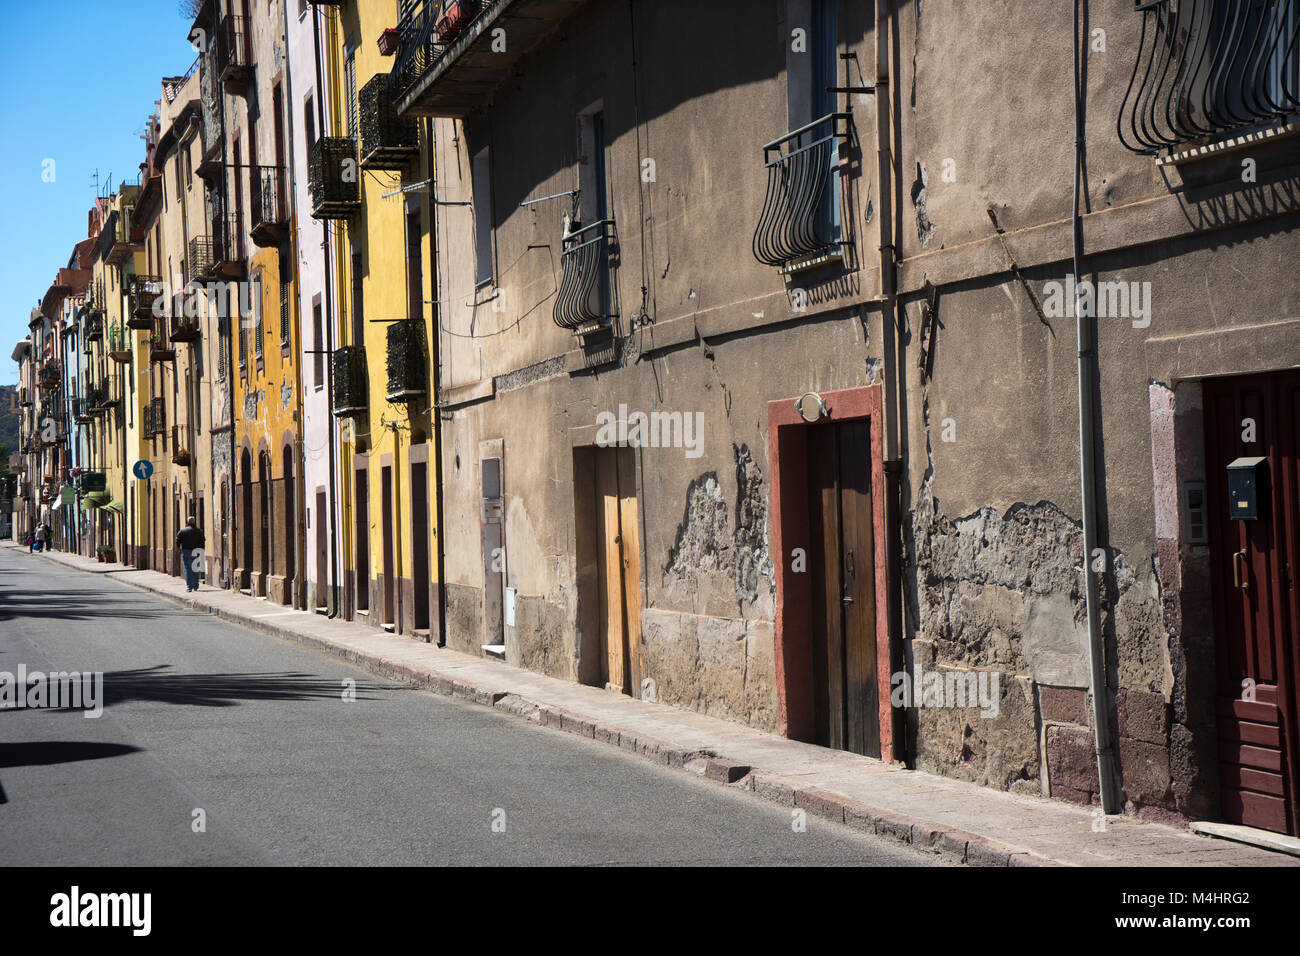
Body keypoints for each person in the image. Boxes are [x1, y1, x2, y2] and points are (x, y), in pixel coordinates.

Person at [176, 516, 205, 592]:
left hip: (186, 551)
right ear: (194, 522)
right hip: (196, 551)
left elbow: (177, 541)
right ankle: (196, 586)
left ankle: (189, 587)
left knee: (188, 569)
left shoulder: (182, 531)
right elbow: (202, 541)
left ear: (187, 522)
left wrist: (179, 549)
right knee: (195, 569)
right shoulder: (199, 531)